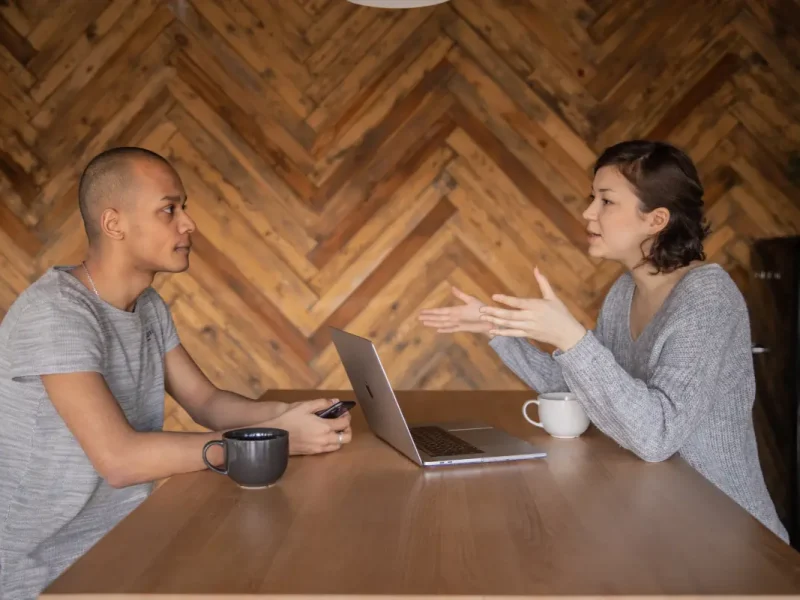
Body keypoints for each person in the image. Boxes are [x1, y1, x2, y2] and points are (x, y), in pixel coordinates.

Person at [0, 147, 353, 599]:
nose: (188, 224)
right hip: (50, 575)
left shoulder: (146, 306)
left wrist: (288, 413)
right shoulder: (55, 314)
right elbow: (120, 460)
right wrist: (268, 442)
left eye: (183, 208)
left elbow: (206, 402)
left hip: (126, 548)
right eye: (170, 209)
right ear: (114, 224)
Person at [419, 139, 789, 543]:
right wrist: (497, 329)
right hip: (659, 519)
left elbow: (656, 437)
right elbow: (584, 391)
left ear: (656, 219)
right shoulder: (623, 293)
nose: (587, 212)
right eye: (591, 198)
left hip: (728, 537)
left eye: (606, 201)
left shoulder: (707, 299)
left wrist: (571, 338)